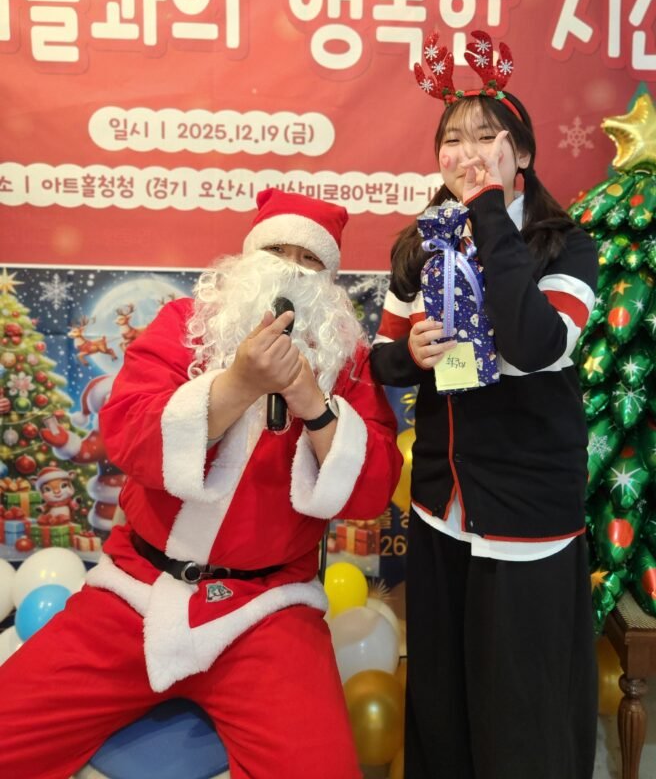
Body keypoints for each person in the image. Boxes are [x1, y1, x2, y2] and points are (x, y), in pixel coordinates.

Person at [0, 188, 401, 779]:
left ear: (329, 283)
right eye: (276, 252)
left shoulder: (348, 361)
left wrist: (314, 405)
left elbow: (371, 492)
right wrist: (237, 385)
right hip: (135, 593)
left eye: (309, 260)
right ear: (246, 260)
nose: (290, 271)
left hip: (268, 610)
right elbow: (127, 434)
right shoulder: (183, 327)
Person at [371, 32, 599, 779]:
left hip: (528, 510)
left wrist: (490, 213)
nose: (466, 151)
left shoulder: (566, 246)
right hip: (443, 503)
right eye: (452, 138)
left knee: (520, 705)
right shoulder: (422, 243)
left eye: (485, 137)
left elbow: (536, 345)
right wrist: (414, 355)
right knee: (441, 695)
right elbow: (382, 358)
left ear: (521, 152)